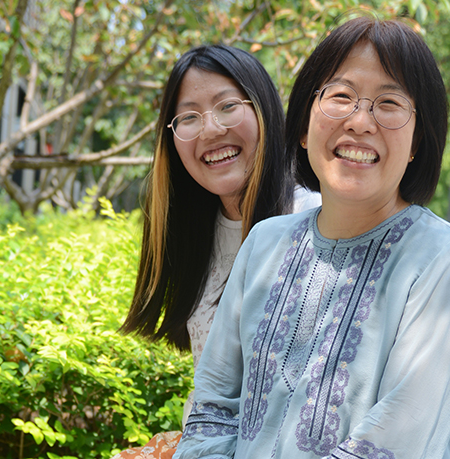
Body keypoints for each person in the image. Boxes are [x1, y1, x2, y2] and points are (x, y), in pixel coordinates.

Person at [173, 17, 450, 459]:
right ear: (304, 128)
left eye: (389, 103)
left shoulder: (444, 261)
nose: (361, 121)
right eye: (340, 97)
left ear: (419, 140)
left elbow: (397, 440)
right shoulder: (264, 244)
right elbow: (213, 407)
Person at [115, 44, 299, 458]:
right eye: (189, 117)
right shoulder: (194, 231)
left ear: (264, 109)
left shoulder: (317, 222)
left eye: (227, 106)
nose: (210, 129)